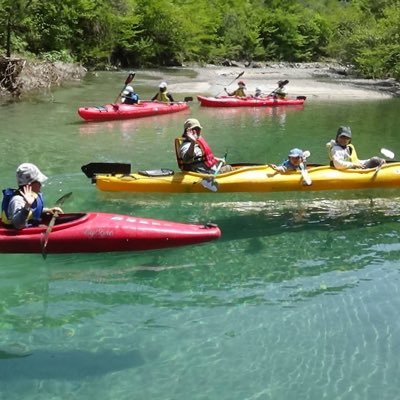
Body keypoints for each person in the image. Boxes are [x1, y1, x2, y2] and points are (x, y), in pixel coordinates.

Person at [1, 163, 63, 229]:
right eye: (38, 182)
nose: (40, 184)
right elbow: (18, 225)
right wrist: (27, 206)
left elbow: (32, 212)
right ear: (29, 185)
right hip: (17, 234)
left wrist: (48, 210)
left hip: (31, 226)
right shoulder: (17, 200)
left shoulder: (31, 196)